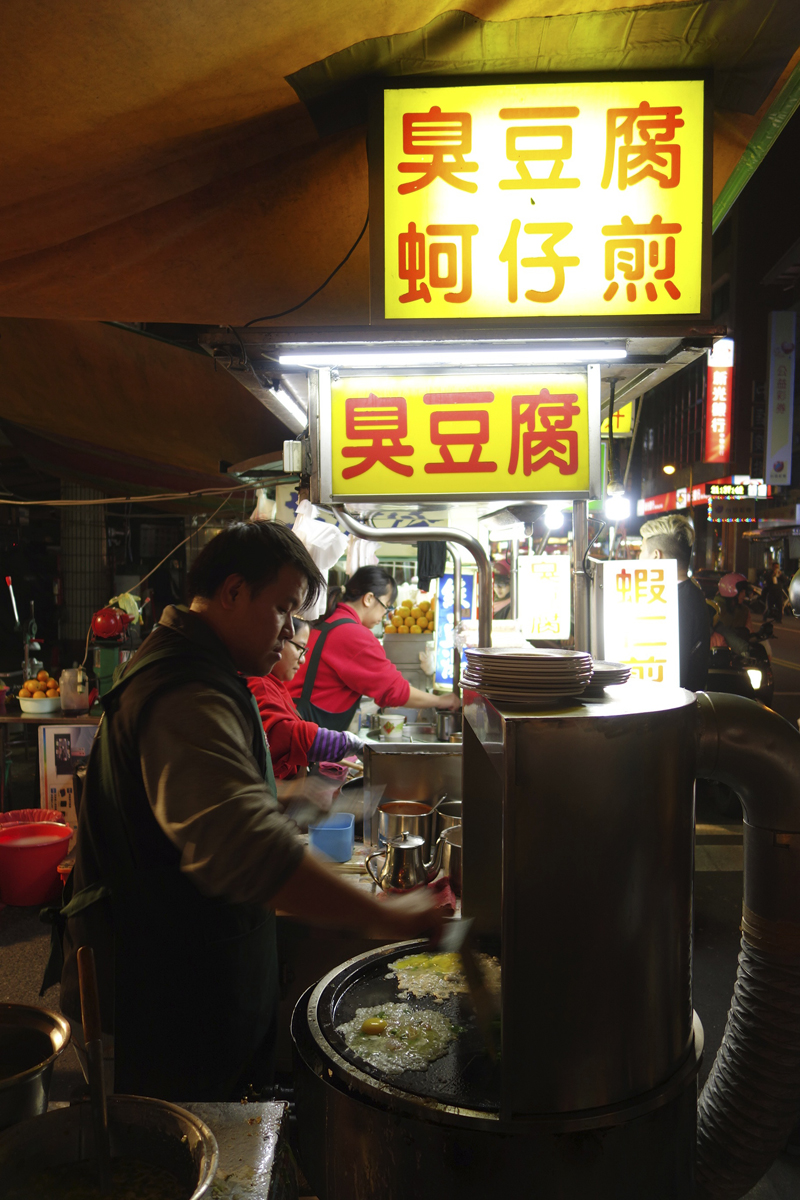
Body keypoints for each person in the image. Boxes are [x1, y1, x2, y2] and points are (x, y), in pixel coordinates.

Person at [58, 522, 442, 1102]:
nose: (291, 631)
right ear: (234, 592)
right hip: (160, 996)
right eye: (284, 610)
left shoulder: (201, 668)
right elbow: (244, 849)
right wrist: (386, 916)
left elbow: (189, 802)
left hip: (187, 976)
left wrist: (286, 796)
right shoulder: (185, 689)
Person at [289, 565, 460, 730]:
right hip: (302, 729)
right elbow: (394, 690)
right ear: (369, 598)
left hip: (294, 718)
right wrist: (442, 701)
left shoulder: (329, 620)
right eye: (386, 606)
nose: (385, 614)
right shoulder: (353, 634)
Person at [248, 618, 363, 779]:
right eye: (300, 648)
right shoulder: (260, 684)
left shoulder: (274, 684)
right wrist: (346, 743)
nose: (302, 660)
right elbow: (284, 734)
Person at [639, 513, 710, 691]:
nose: (638, 558)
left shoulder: (679, 603)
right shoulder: (687, 594)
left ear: (656, 556)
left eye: (641, 551)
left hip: (671, 709)